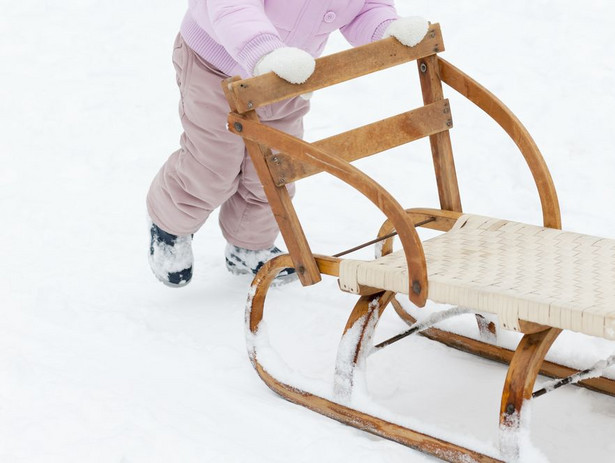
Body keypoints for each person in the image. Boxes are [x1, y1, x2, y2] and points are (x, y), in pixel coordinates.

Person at [147, 0, 429, 287]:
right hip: (216, 66)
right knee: (213, 165)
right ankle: (170, 224)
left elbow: (365, 7)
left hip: (286, 79)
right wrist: (263, 51)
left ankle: (249, 245)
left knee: (273, 169)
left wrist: (385, 27)